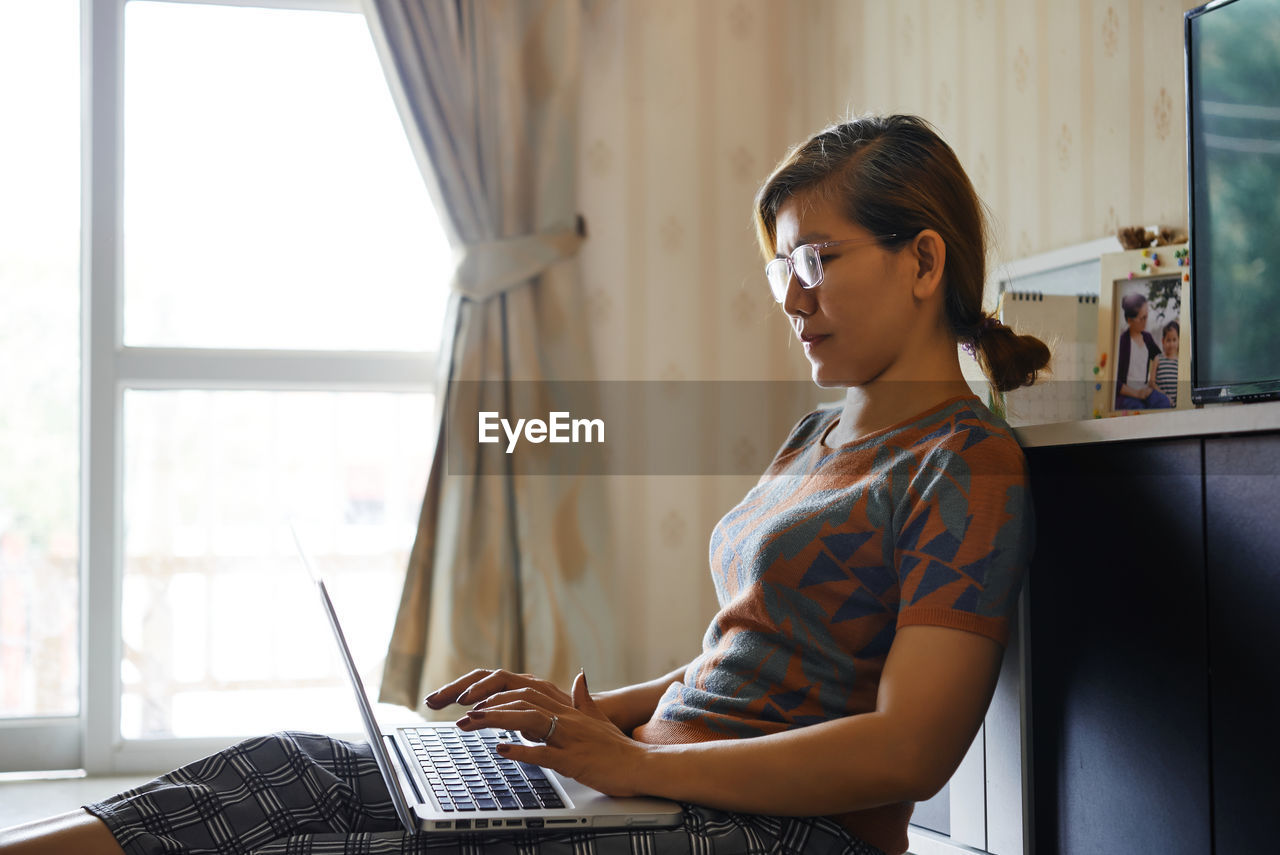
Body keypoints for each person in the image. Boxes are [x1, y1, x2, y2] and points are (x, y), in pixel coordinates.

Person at [0, 115, 1048, 855]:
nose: (792, 296)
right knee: (290, 769)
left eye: (818, 257)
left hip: (784, 835)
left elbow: (907, 750)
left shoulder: (964, 465)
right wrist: (580, 721)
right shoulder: (816, 433)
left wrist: (638, 767)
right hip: (654, 790)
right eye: (781, 267)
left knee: (315, 845)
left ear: (921, 261)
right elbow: (748, 659)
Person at [1114, 293, 1172, 410]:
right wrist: (1137, 393)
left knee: (1164, 402)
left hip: (1146, 391)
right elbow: (1116, 383)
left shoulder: (1147, 338)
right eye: (1142, 318)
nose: (1146, 321)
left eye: (1147, 316)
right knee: (1138, 408)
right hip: (1128, 394)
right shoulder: (1122, 342)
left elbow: (1159, 356)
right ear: (1130, 320)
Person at [1150, 320, 1179, 407]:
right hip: (1161, 401)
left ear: (1179, 340)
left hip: (1175, 405)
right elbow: (1151, 383)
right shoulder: (1158, 359)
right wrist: (1164, 396)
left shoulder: (1180, 363)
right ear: (1163, 341)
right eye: (1168, 340)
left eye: (1174, 340)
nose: (1171, 344)